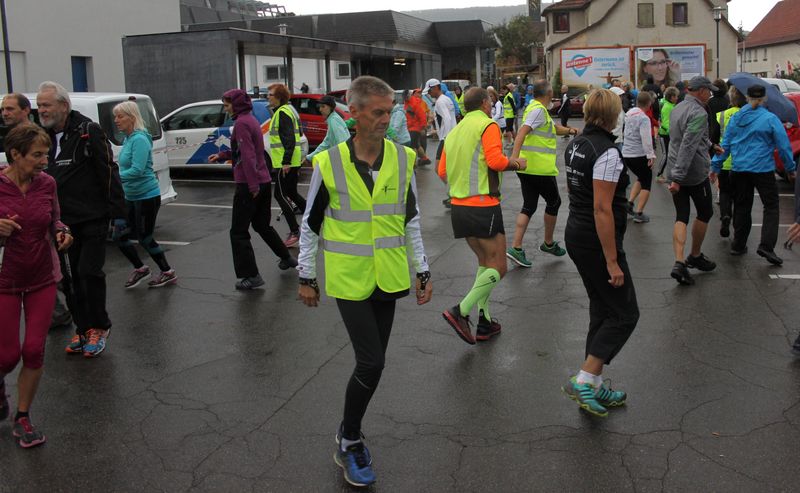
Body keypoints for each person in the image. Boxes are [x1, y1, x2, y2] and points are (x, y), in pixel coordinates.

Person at [297, 76, 432, 487]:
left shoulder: (403, 158)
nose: (385, 119)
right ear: (353, 113)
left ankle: (348, 431)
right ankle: (349, 439)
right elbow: (310, 224)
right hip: (349, 278)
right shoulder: (329, 163)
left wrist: (423, 269)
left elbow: (410, 220)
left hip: (388, 276)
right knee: (371, 362)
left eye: (389, 111)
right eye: (377, 112)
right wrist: (306, 275)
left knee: (373, 365)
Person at [561, 88, 638, 417]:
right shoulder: (607, 152)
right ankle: (584, 379)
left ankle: (592, 382)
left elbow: (577, 192)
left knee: (602, 308)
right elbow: (602, 208)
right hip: (594, 239)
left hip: (577, 233)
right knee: (624, 314)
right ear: (612, 115)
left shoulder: (576, 143)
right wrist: (612, 260)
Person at [39, 81, 125, 358]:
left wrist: (118, 213)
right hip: (61, 222)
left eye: (46, 105)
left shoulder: (88, 131)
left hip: (92, 217)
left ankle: (100, 326)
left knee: (89, 272)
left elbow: (108, 170)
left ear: (64, 105)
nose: (41, 110)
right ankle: (83, 327)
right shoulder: (43, 136)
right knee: (69, 278)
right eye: (39, 106)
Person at [0, 124, 73, 446]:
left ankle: (23, 417)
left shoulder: (47, 184)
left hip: (42, 278)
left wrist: (62, 232)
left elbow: (55, 218)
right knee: (6, 357)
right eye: (37, 155)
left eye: (46, 154)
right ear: (15, 154)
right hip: (4, 281)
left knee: (33, 350)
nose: (45, 161)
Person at [439, 87, 527, 344]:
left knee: (485, 264)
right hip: (483, 205)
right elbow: (496, 161)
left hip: (459, 206)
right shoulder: (487, 125)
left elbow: (441, 171)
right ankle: (461, 310)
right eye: (490, 101)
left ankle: (485, 322)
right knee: (499, 267)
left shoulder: (455, 131)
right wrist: (517, 163)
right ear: (486, 104)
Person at [209, 89, 298, 289]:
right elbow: (246, 151)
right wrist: (223, 155)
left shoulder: (241, 124)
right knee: (262, 225)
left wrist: (252, 185)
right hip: (263, 180)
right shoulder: (250, 120)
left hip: (249, 185)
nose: (226, 109)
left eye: (227, 105)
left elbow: (248, 156)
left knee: (238, 232)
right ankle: (287, 257)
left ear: (236, 105)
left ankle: (251, 275)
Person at [711, 84, 795, 265]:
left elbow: (726, 145)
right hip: (762, 169)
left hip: (739, 168)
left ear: (747, 97)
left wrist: (716, 166)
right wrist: (790, 168)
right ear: (764, 99)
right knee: (771, 206)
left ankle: (738, 244)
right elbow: (783, 146)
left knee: (742, 205)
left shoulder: (736, 118)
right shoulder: (770, 118)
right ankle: (766, 246)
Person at [507, 79, 577, 268]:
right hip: (539, 169)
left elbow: (553, 128)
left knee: (529, 205)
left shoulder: (536, 109)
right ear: (548, 94)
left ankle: (516, 247)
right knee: (554, 202)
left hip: (528, 168)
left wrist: (571, 130)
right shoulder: (538, 110)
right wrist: (513, 158)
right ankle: (548, 243)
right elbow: (522, 133)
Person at [111, 102, 177, 289]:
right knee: (119, 236)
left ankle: (167, 272)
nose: (116, 120)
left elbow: (138, 170)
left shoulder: (139, 139)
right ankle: (140, 268)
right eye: (115, 116)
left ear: (132, 117)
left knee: (145, 237)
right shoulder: (128, 138)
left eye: (120, 116)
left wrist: (114, 178)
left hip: (146, 196)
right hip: (130, 196)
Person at [666, 76, 719, 285]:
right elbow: (688, 145)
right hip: (693, 173)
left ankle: (679, 261)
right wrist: (679, 177)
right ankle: (694, 255)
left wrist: (711, 145)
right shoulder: (698, 112)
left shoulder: (677, 108)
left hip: (675, 167)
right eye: (709, 91)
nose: (710, 94)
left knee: (681, 215)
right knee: (705, 212)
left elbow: (689, 137)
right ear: (701, 91)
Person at [266, 83, 306, 247]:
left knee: (280, 195)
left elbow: (289, 138)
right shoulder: (289, 110)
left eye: (270, 94)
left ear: (279, 97)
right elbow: (300, 133)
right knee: (291, 193)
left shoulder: (282, 113)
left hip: (286, 162)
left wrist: (286, 162)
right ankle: (314, 220)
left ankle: (295, 231)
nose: (268, 97)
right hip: (291, 160)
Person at [713, 86, 746, 237]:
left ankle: (725, 214)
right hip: (741, 161)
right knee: (740, 195)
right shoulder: (747, 115)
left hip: (724, 158)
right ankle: (738, 226)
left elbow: (714, 138)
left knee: (724, 191)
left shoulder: (721, 115)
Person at [623, 91, 657, 223]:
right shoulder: (643, 118)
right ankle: (639, 212)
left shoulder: (629, 113)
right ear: (649, 103)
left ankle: (630, 203)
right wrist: (651, 155)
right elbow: (646, 138)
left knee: (640, 177)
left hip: (627, 153)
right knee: (647, 182)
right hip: (638, 154)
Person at [422, 79, 457, 208]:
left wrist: (446, 137)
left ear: (436, 87)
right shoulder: (446, 99)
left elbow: (446, 118)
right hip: (451, 136)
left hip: (447, 139)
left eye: (429, 91)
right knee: (448, 169)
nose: (429, 94)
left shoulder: (440, 102)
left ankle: (454, 194)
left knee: (439, 169)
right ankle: (454, 193)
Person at [305, 95, 350, 163]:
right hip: (341, 159)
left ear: (331, 107)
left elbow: (342, 142)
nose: (320, 109)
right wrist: (310, 157)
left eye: (323, 106)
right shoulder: (332, 119)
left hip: (342, 160)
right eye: (320, 106)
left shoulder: (334, 120)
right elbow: (326, 143)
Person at [656, 87, 679, 182]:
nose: (677, 98)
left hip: (670, 135)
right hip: (665, 135)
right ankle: (658, 175)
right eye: (676, 96)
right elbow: (665, 124)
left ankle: (672, 175)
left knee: (672, 155)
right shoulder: (667, 107)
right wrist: (674, 132)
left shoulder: (672, 105)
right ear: (671, 97)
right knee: (666, 155)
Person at [404, 89, 430, 165]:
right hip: (412, 127)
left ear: (410, 95)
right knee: (416, 145)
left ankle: (413, 163)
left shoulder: (414, 103)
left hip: (415, 128)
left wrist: (423, 128)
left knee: (412, 146)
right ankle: (425, 159)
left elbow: (422, 115)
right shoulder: (407, 102)